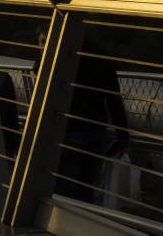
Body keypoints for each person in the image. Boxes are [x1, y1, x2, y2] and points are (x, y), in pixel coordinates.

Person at [42, 29, 130, 204]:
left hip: (68, 131)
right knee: (87, 189)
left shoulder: (63, 58)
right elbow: (114, 100)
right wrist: (122, 134)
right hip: (94, 132)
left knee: (64, 190)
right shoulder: (102, 59)